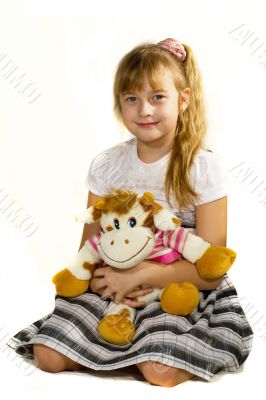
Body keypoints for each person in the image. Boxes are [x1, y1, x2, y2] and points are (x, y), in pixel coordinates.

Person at [7, 38, 253, 387]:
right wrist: (105, 281)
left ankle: (145, 349)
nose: (144, 110)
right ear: (119, 104)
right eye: (131, 99)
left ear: (182, 100)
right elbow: (88, 251)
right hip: (117, 284)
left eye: (157, 97)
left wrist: (142, 275)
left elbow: (211, 270)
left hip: (179, 286)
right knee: (47, 356)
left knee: (159, 371)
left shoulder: (202, 167)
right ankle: (121, 344)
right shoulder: (108, 165)